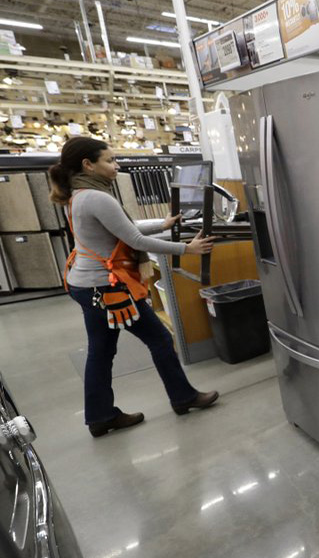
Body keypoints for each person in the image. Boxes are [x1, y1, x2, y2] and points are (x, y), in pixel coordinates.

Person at [49, 137, 220, 438]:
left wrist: (163, 225)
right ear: (88, 164)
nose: (116, 167)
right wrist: (186, 249)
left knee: (101, 351)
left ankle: (100, 416)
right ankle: (183, 398)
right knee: (159, 340)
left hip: (87, 284)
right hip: (108, 288)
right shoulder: (98, 197)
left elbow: (119, 229)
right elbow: (134, 241)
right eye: (109, 161)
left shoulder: (79, 194)